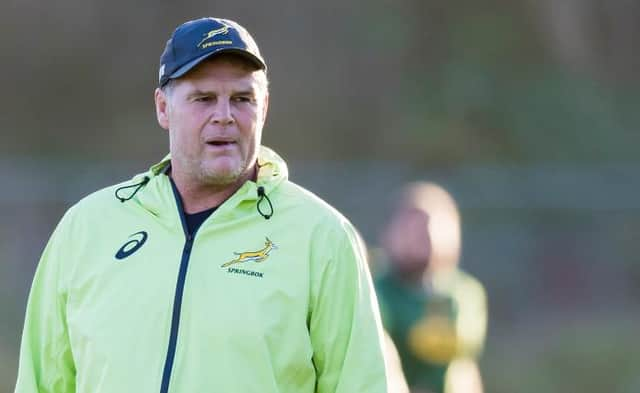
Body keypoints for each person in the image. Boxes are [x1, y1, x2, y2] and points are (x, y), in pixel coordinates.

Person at [14, 17, 390, 393]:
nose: (224, 115)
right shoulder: (86, 227)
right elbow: (42, 381)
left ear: (265, 108)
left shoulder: (322, 238)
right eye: (204, 98)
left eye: (242, 99)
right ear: (163, 108)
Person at [374, 182, 487, 393]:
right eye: (410, 227)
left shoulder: (464, 292)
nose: (420, 237)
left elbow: (462, 357)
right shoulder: (375, 288)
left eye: (428, 226)